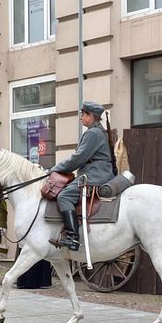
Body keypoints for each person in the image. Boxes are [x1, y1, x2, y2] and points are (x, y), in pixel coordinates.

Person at [49, 101, 115, 251]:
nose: (81, 118)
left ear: (91, 116)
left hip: (95, 175)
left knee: (64, 196)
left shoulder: (93, 133)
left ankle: (72, 237)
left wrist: (55, 169)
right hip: (100, 173)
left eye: (83, 114)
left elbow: (78, 159)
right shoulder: (99, 132)